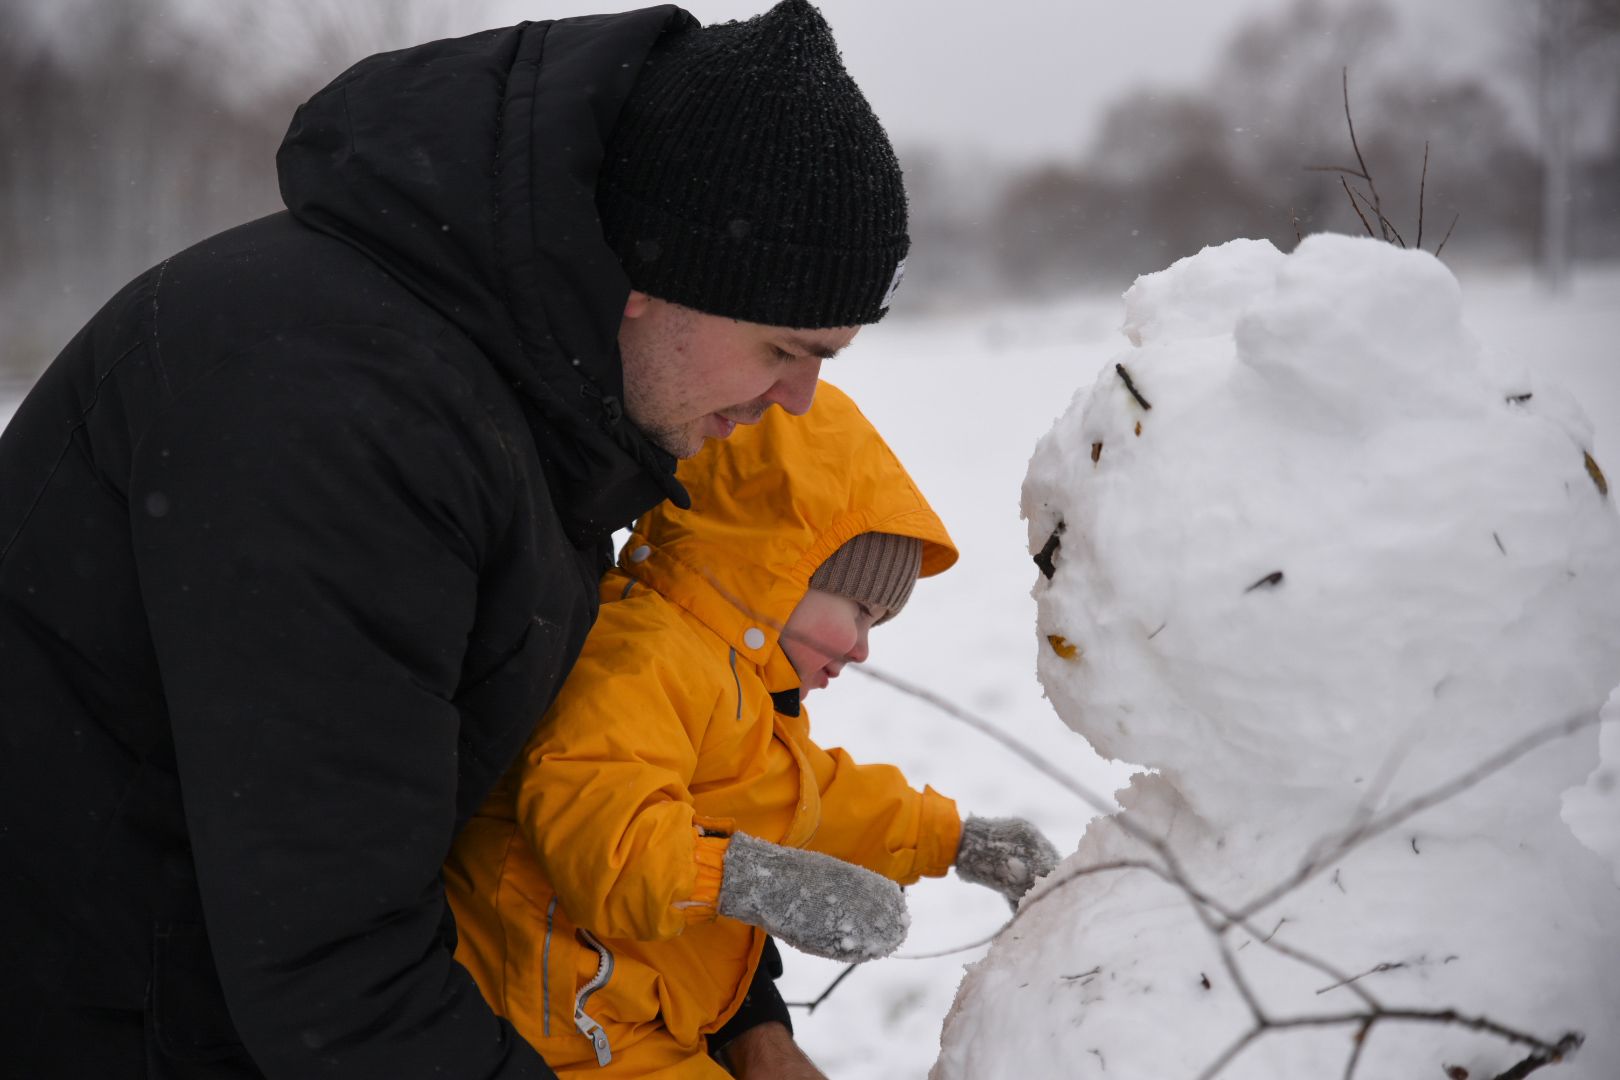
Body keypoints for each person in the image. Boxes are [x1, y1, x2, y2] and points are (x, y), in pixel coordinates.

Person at [0, 3, 910, 1077]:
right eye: (786, 350)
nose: (798, 401)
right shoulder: (338, 415)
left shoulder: (543, 401)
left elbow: (540, 784)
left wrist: (746, 1022)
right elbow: (337, 975)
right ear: (654, 279)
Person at [444, 383, 1060, 1076]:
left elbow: (809, 797)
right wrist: (762, 882)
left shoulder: (735, 681)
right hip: (563, 1026)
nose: (863, 649)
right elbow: (605, 840)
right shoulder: (640, 656)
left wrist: (955, 839)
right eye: (860, 611)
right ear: (779, 567)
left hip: (633, 1015)